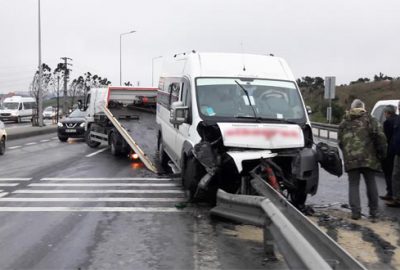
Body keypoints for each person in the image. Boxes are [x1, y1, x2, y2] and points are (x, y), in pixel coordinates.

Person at [338, 99, 387, 220]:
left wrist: (347, 152)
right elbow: (380, 137)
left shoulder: (345, 122)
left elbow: (340, 141)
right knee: (371, 182)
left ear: (352, 107)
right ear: (363, 108)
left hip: (351, 158)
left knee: (353, 184)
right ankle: (374, 212)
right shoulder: (370, 120)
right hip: (369, 157)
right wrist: (382, 154)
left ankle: (356, 212)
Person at [380, 105, 398, 201]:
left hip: (389, 151)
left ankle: (390, 193)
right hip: (397, 150)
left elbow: (385, 138)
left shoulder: (387, 123)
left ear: (387, 113)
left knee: (388, 172)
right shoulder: (397, 119)